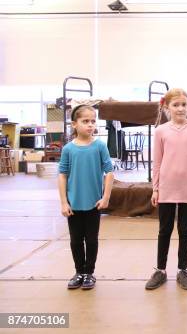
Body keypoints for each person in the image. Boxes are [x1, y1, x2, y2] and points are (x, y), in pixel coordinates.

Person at [145, 89, 187, 291]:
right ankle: (160, 270)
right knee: (164, 230)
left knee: (185, 230)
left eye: (184, 104)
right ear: (167, 107)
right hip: (167, 187)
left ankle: (183, 270)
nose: (180, 109)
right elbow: (157, 161)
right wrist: (155, 188)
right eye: (175, 105)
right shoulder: (161, 131)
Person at [59, 104, 114, 290]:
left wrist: (105, 197)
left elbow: (109, 172)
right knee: (75, 240)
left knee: (91, 240)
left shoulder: (99, 146)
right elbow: (62, 175)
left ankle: (89, 272)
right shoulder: (68, 149)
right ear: (75, 124)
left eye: (93, 121)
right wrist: (64, 202)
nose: (90, 125)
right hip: (73, 205)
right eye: (85, 121)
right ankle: (79, 272)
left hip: (93, 204)